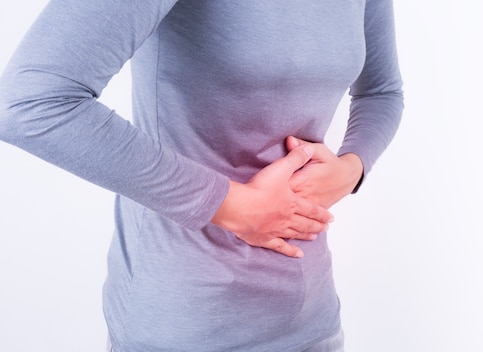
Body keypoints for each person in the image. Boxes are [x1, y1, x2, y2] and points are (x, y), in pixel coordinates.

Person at [0, 0, 403, 350]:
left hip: (312, 319)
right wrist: (231, 204)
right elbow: (32, 101)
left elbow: (381, 91)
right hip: (187, 323)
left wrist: (351, 169)